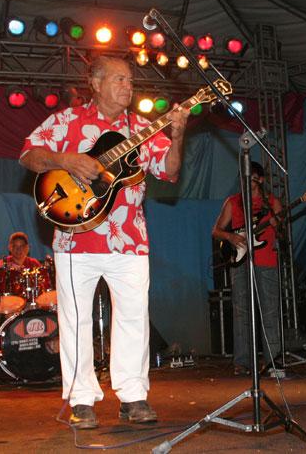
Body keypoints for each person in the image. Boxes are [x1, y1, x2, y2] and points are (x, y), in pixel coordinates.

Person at [20, 55, 189, 428]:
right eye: (119, 79)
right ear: (95, 84)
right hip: (74, 238)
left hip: (130, 240)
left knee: (133, 319)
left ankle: (133, 396)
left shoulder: (142, 127)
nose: (128, 86)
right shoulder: (67, 121)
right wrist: (66, 160)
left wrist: (177, 136)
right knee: (75, 320)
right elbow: (29, 154)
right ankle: (81, 400)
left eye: (130, 81)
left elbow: (170, 171)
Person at [212, 162, 282, 376]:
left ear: (260, 179)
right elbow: (216, 230)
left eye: (250, 177)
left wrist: (277, 223)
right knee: (241, 311)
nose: (246, 181)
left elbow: (281, 229)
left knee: (270, 311)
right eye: (243, 177)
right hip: (240, 260)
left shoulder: (272, 202)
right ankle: (242, 362)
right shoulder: (233, 202)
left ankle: (273, 362)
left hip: (266, 259)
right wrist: (230, 236)